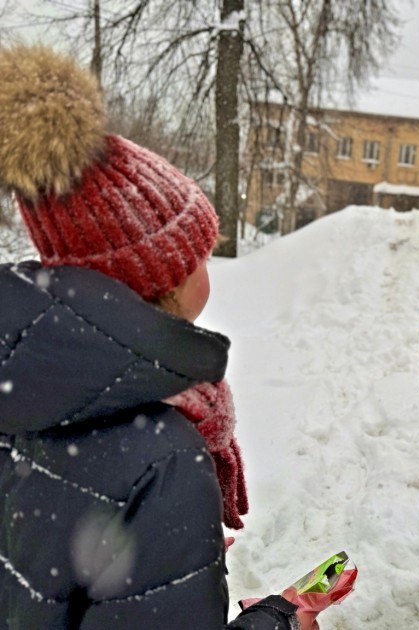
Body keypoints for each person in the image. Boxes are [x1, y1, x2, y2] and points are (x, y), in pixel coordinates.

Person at [0, 45, 316, 629]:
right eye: (197, 251)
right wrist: (277, 622)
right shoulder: (160, 456)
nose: (209, 265)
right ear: (155, 275)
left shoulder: (26, 393)